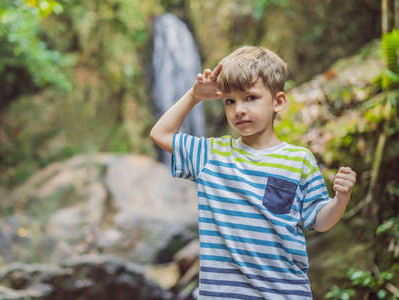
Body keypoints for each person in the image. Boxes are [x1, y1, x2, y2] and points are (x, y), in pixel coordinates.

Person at [150, 45, 356, 299]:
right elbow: (160, 134)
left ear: (278, 102)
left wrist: (340, 199)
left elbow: (319, 220)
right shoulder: (210, 155)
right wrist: (194, 96)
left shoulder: (298, 160)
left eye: (250, 98)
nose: (239, 110)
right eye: (230, 101)